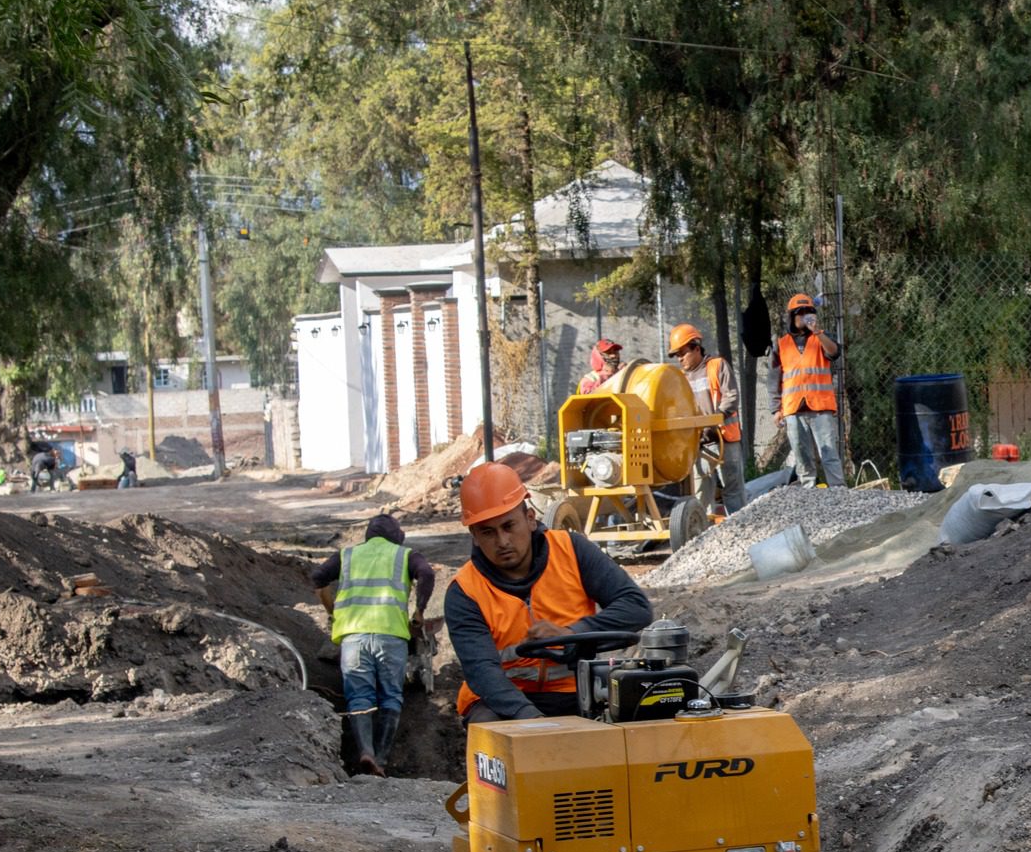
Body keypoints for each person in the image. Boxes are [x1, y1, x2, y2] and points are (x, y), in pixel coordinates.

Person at [445, 463, 653, 723]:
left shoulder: (571, 550)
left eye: (509, 526)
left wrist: (573, 634)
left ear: (530, 518)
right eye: (488, 532)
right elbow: (482, 671)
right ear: (474, 535)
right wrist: (533, 721)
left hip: (578, 691)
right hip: (504, 702)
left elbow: (636, 607)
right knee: (486, 726)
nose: (502, 541)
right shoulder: (465, 591)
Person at [311, 513, 435, 776]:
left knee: (358, 697)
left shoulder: (348, 555)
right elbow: (426, 573)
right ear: (396, 537)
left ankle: (365, 751)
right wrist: (419, 612)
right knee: (391, 695)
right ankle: (381, 758)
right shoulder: (404, 555)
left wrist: (332, 609)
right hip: (391, 636)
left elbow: (318, 577)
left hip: (353, 638)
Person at [669, 323, 746, 513]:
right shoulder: (681, 378)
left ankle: (742, 526)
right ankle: (703, 534)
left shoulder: (717, 366)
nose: (680, 359)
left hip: (724, 438)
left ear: (696, 347)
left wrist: (714, 418)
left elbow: (732, 396)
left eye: (682, 353)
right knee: (701, 492)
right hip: (700, 444)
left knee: (733, 490)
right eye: (677, 355)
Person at [770, 293, 844, 487]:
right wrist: (776, 409)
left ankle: (839, 491)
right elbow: (775, 379)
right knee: (802, 456)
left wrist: (817, 332)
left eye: (808, 312)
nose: (804, 316)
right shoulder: (781, 344)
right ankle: (809, 492)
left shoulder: (820, 338)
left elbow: (834, 352)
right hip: (793, 408)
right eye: (800, 313)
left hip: (820, 406)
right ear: (791, 317)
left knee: (829, 453)